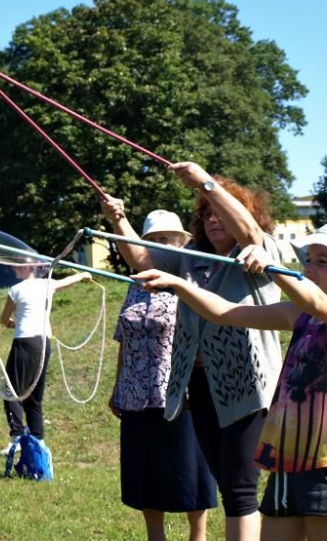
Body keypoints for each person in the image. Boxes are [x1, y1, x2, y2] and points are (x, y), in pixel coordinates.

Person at [135, 215, 327, 541]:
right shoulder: (298, 315)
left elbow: (315, 299)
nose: (310, 267)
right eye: (308, 259)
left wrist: (271, 266)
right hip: (287, 460)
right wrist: (180, 284)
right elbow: (224, 312)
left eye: (323, 261)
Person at [101, 162, 283, 541]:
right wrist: (118, 219)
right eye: (207, 214)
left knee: (239, 489)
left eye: (221, 212)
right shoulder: (191, 256)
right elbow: (142, 259)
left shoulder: (260, 254)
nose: (214, 219)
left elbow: (249, 232)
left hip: (245, 386)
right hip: (198, 382)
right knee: (226, 482)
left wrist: (205, 182)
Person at [109, 209, 217, 541]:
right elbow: (124, 336)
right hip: (135, 394)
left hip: (179, 391)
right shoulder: (135, 285)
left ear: (181, 244)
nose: (158, 247)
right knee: (144, 471)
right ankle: (155, 536)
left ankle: (197, 536)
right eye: (151, 241)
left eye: (165, 240)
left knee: (191, 469)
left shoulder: (189, 282)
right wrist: (117, 385)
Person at [0, 263, 92, 454]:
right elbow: (68, 281)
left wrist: (10, 323)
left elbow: (3, 318)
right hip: (43, 342)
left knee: (11, 390)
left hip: (24, 342)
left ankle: (17, 438)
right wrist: (83, 274)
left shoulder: (16, 290)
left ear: (28, 268)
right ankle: (37, 439)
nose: (14, 270)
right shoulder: (48, 284)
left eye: (17, 267)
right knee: (34, 395)